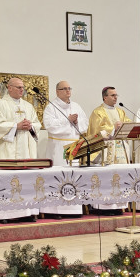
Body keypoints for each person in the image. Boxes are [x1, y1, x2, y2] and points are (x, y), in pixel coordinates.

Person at [0, 77, 41, 221]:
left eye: (22, 87)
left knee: (26, 180)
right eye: (18, 87)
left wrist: (31, 126)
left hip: (25, 148)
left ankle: (27, 213)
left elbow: (38, 124)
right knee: (7, 180)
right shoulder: (0, 105)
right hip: (7, 148)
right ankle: (4, 215)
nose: (21, 90)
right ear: (9, 88)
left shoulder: (28, 106)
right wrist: (16, 126)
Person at [42, 81, 87, 218]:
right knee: (58, 178)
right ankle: (55, 211)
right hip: (58, 147)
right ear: (57, 91)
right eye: (64, 89)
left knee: (73, 178)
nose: (68, 91)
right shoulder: (51, 107)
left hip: (74, 147)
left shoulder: (76, 106)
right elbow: (49, 126)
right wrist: (67, 120)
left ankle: (73, 210)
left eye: (69, 88)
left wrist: (77, 122)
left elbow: (85, 124)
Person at [87, 87, 132, 213]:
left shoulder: (120, 111)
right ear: (104, 97)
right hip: (105, 149)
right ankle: (103, 208)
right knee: (107, 177)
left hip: (120, 149)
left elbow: (128, 124)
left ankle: (119, 206)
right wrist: (113, 128)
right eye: (112, 95)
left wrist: (124, 126)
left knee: (120, 177)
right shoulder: (98, 112)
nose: (115, 97)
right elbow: (96, 131)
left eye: (116, 95)